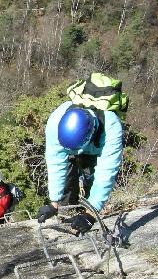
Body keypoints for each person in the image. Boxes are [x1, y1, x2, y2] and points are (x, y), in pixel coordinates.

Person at [37, 100, 123, 234]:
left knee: (91, 179)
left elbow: (106, 174)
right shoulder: (55, 124)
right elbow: (56, 164)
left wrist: (90, 213)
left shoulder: (111, 127)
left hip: (95, 148)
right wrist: (54, 203)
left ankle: (89, 211)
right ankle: (74, 210)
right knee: (68, 179)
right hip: (75, 143)